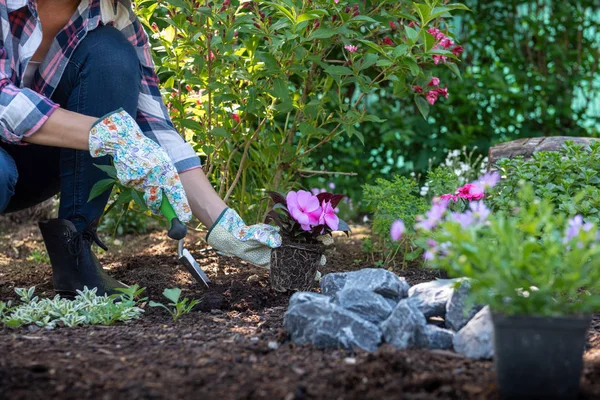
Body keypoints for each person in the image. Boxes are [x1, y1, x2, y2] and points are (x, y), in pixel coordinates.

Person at [0, 0, 281, 297]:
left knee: (111, 53)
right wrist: (107, 133)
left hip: (37, 166)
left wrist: (226, 226)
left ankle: (76, 256)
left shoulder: (110, 12)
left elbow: (152, 125)